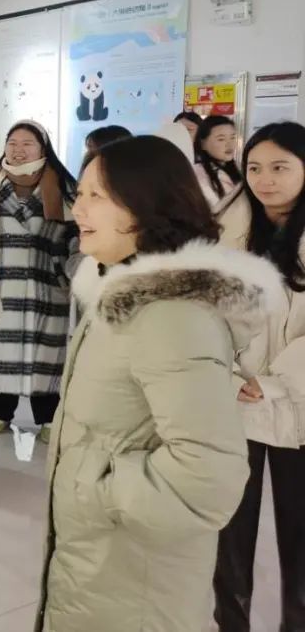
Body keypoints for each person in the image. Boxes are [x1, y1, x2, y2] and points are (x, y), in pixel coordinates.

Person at [37, 135, 269, 632]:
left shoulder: (171, 314)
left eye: (97, 195)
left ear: (145, 205)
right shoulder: (120, 293)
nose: (78, 208)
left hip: (136, 584)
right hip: (103, 567)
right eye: (81, 193)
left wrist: (94, 488)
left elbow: (209, 477)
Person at [214, 121, 305, 631]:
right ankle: (231, 623)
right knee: (229, 531)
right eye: (254, 167)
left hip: (298, 402)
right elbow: (204, 312)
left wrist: (273, 381)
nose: (265, 179)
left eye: (279, 167)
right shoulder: (225, 232)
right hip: (234, 399)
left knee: (300, 536)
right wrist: (227, 375)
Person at [0, 121, 78, 443]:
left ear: (42, 149)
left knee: (46, 355)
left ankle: (49, 414)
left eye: (27, 144)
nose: (18, 150)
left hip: (46, 285)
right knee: (1, 351)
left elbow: (77, 235)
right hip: (2, 283)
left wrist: (66, 269)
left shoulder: (64, 187)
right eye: (12, 143)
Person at [195, 114, 243, 211]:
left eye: (233, 137)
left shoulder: (239, 168)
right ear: (203, 144)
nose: (230, 144)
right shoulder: (198, 174)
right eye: (221, 139)